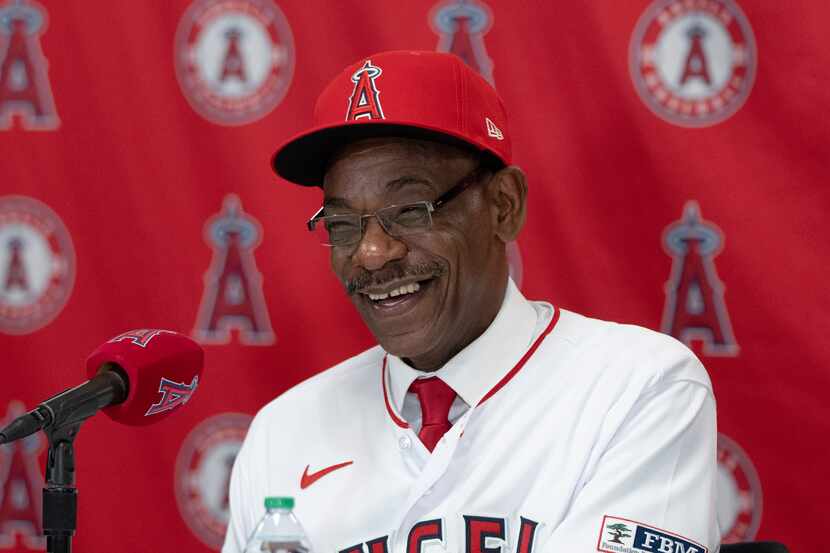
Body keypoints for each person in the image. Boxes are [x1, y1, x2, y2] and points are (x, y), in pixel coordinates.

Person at [223, 50, 718, 553]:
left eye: (411, 211)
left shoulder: (636, 387)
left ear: (505, 205)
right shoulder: (282, 433)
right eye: (342, 224)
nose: (372, 253)